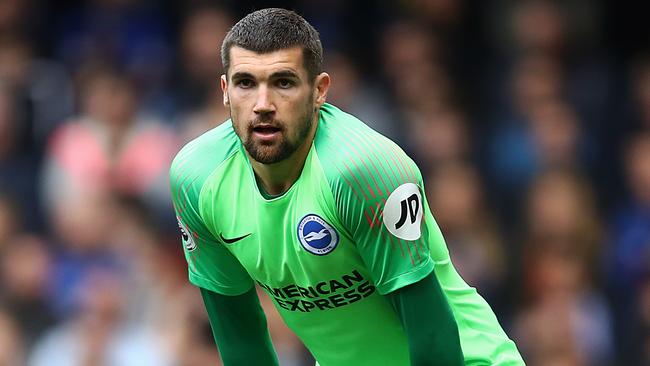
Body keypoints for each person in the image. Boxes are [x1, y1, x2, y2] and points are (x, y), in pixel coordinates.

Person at [169, 8, 524, 366]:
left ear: (319, 90)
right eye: (246, 83)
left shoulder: (365, 172)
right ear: (225, 90)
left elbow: (432, 335)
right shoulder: (197, 179)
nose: (263, 105)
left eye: (284, 82)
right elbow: (239, 335)